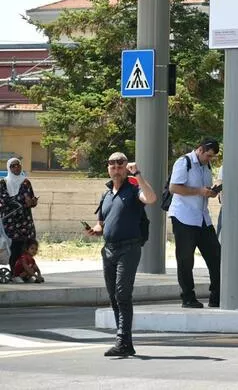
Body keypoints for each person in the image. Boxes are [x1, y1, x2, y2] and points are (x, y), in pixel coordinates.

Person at [87, 152, 157, 358]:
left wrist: (139, 175)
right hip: (108, 249)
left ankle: (122, 340)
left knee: (122, 293)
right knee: (113, 296)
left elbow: (151, 198)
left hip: (129, 248)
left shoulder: (134, 189)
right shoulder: (106, 195)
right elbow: (101, 223)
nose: (116, 166)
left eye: (120, 163)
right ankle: (125, 342)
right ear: (107, 168)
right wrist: (94, 230)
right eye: (112, 163)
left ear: (126, 167)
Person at [168, 138, 222, 308]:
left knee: (216, 256)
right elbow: (174, 188)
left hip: (202, 218)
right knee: (185, 260)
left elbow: (203, 190)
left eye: (212, 157)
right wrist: (199, 191)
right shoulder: (184, 162)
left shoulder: (206, 166)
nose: (209, 159)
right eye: (208, 155)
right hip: (184, 217)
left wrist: (211, 192)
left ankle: (217, 296)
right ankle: (188, 297)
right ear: (199, 149)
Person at [1, 157, 39, 268]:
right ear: (9, 168)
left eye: (18, 165)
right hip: (10, 221)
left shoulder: (26, 182)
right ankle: (14, 272)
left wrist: (32, 202)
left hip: (25, 220)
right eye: (13, 165)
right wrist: (20, 201)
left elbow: (31, 199)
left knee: (26, 245)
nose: (16, 167)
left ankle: (24, 272)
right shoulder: (3, 183)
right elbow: (3, 200)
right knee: (14, 246)